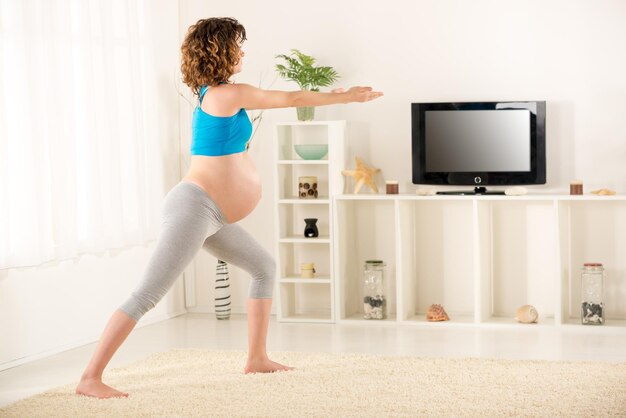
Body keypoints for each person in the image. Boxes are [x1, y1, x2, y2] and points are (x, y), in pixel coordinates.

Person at [75, 16, 383, 399]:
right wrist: (346, 97)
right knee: (147, 295)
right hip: (195, 208)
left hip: (213, 214)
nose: (242, 51)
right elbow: (291, 99)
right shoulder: (225, 94)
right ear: (220, 50)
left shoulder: (215, 94)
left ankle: (257, 358)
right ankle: (90, 378)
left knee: (263, 267)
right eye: (237, 44)